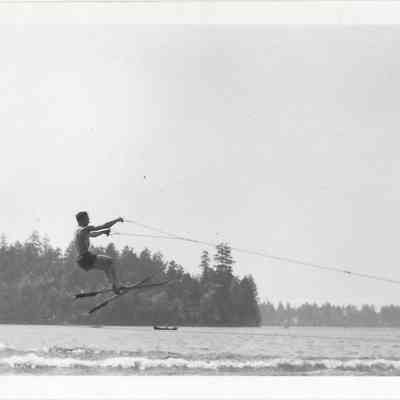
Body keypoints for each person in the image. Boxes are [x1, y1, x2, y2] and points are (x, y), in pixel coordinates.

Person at [75, 211, 124, 294]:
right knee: (110, 261)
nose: (89, 220)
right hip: (86, 257)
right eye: (87, 218)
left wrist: (104, 232)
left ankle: (114, 285)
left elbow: (93, 234)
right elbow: (105, 225)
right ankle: (116, 285)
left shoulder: (79, 231)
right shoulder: (85, 229)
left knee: (107, 267)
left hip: (81, 261)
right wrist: (117, 220)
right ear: (81, 220)